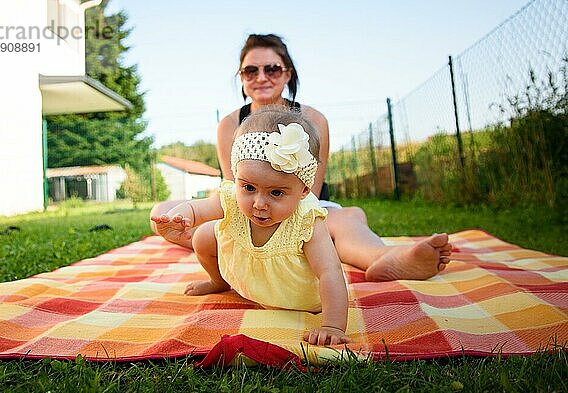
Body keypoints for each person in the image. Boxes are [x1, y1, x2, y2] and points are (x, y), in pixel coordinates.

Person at [150, 33, 452, 282]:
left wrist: (285, 222)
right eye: (251, 71)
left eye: (272, 69)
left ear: (287, 74)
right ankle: (239, 247)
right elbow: (235, 187)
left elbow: (311, 191)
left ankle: (386, 259)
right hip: (252, 208)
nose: (262, 77)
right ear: (241, 77)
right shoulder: (229, 124)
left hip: (304, 204)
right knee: (164, 211)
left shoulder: (312, 118)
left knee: (345, 219)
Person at [152, 108, 350, 346]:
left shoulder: (307, 220)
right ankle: (219, 281)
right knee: (204, 235)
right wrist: (178, 218)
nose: (259, 203)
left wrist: (332, 325)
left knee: (209, 232)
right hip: (248, 281)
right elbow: (196, 209)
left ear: (304, 190)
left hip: (298, 299)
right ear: (237, 178)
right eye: (248, 188)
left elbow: (330, 272)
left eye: (276, 192)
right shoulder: (232, 199)